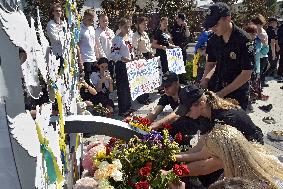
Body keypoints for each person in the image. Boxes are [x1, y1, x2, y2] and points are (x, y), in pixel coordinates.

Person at [157, 84, 263, 187]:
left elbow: (206, 165)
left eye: (188, 110)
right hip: (231, 150)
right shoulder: (205, 114)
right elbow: (201, 149)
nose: (185, 114)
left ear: (202, 104)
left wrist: (170, 173)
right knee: (205, 177)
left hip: (251, 152)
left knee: (216, 179)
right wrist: (171, 157)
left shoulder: (225, 120)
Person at [177, 125, 283, 189]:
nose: (211, 160)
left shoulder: (247, 184)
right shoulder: (254, 157)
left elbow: (203, 166)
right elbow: (202, 162)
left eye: (214, 157)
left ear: (225, 157)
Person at [200, 3, 254, 110]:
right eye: (211, 25)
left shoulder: (243, 40)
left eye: (216, 24)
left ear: (228, 19)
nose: (213, 28)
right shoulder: (213, 39)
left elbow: (246, 74)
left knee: (234, 123)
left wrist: (222, 93)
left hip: (237, 92)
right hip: (218, 86)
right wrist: (204, 80)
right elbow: (211, 63)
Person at [110, 18, 135, 116]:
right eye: (125, 27)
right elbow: (113, 54)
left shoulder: (127, 37)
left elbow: (130, 51)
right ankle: (122, 109)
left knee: (128, 87)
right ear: (120, 27)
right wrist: (123, 58)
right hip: (121, 65)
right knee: (122, 87)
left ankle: (128, 106)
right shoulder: (117, 39)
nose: (127, 29)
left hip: (129, 65)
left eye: (129, 26)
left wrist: (133, 58)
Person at [132, 16, 153, 105]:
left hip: (147, 56)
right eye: (143, 24)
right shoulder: (135, 35)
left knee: (147, 79)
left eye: (146, 23)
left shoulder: (145, 34)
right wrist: (140, 57)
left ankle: (146, 97)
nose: (145, 25)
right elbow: (134, 48)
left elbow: (149, 45)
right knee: (141, 79)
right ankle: (141, 98)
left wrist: (151, 53)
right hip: (141, 58)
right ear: (138, 25)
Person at [79, 9, 98, 84]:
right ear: (84, 17)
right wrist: (80, 61)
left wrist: (97, 57)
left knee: (94, 81)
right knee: (87, 82)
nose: (91, 22)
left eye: (92, 20)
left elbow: (94, 43)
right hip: (85, 60)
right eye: (89, 19)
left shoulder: (92, 28)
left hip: (93, 58)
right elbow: (77, 45)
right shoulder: (79, 28)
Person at [171, 13, 190, 84]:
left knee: (183, 64)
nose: (182, 21)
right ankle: (177, 80)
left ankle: (182, 79)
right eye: (181, 19)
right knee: (177, 65)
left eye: (183, 20)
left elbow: (188, 35)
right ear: (178, 19)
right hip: (176, 49)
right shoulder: (174, 27)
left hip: (183, 48)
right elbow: (171, 38)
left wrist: (186, 27)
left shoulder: (184, 27)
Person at [250, 14, 269, 88]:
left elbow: (265, 48)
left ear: (258, 24)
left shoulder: (262, 34)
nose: (251, 25)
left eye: (253, 24)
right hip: (258, 57)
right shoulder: (256, 32)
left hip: (261, 58)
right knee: (256, 76)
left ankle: (257, 91)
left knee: (257, 76)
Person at [46, 3, 65, 72]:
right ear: (53, 12)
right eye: (56, 11)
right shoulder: (50, 24)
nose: (58, 12)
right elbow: (55, 38)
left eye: (60, 11)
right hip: (56, 54)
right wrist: (65, 38)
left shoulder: (64, 23)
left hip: (66, 53)